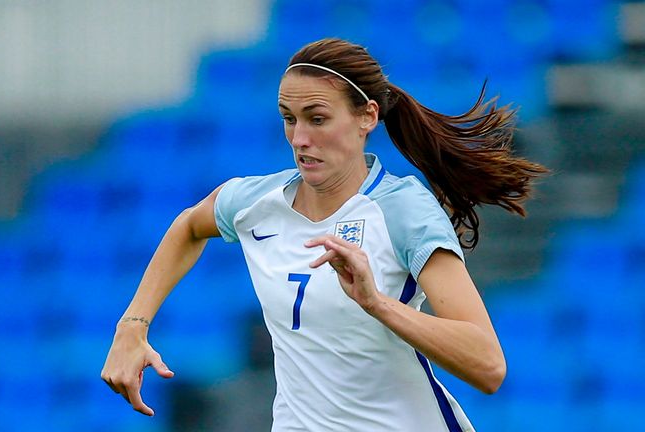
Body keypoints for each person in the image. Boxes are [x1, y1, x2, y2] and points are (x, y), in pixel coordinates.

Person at [101, 38, 548, 431]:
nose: (299, 138)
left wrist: (378, 305)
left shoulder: (402, 210)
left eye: (317, 118)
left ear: (366, 117)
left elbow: (487, 365)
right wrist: (132, 327)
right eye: (288, 118)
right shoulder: (257, 201)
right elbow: (187, 226)